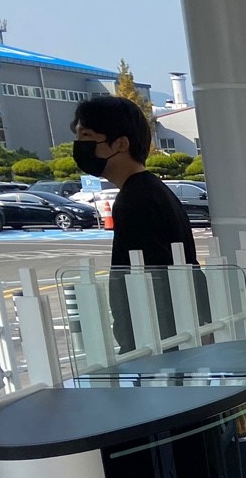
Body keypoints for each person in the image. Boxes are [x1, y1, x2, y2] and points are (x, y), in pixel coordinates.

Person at [71, 96, 200, 352]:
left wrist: (133, 340)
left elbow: (149, 277)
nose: (78, 145)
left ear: (121, 143)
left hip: (154, 340)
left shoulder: (135, 200)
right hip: (172, 335)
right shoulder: (153, 190)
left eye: (86, 136)